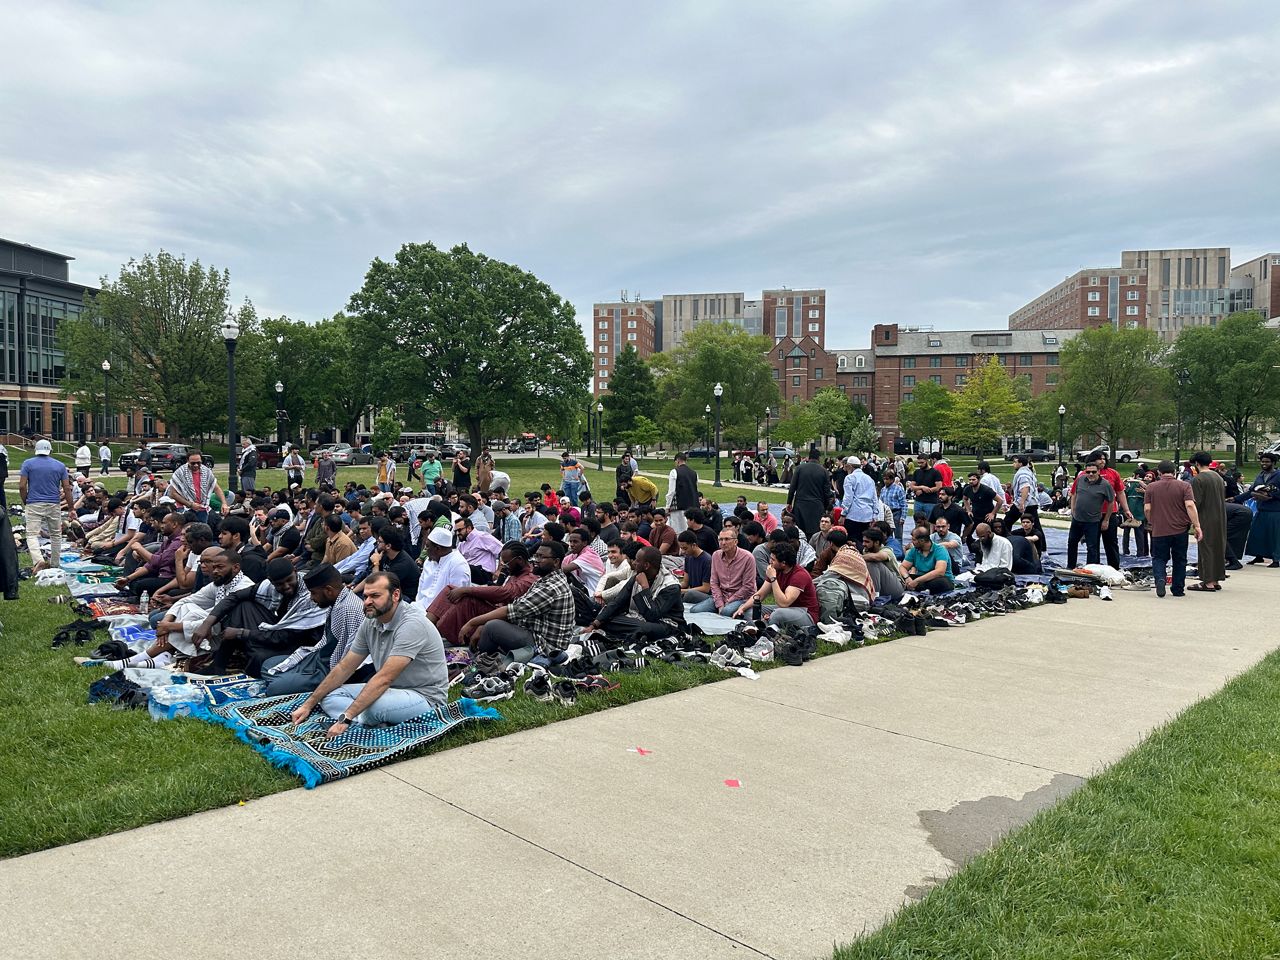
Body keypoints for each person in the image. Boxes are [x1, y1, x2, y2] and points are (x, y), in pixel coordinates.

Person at [291, 570, 448, 733]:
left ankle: (356, 723)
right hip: (390, 692)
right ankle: (368, 722)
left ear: (395, 595)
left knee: (370, 706)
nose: (367, 602)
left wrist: (346, 717)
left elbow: (384, 678)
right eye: (365, 596)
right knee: (329, 696)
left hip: (425, 698)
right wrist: (308, 705)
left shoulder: (411, 624)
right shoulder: (371, 621)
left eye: (375, 596)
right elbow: (345, 666)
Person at [263, 563, 368, 695]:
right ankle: (291, 679)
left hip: (330, 669)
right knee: (268, 664)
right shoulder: (335, 602)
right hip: (319, 659)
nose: (312, 598)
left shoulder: (350, 609)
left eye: (313, 593)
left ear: (328, 590)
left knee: (275, 688)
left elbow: (348, 662)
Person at [460, 541, 576, 656]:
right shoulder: (544, 580)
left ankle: (479, 660)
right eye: (536, 555)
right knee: (489, 621)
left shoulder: (551, 586)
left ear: (556, 562)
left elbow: (513, 610)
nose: (536, 560)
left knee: (492, 627)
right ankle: (484, 655)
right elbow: (516, 609)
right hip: (534, 633)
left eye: (541, 557)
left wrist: (472, 623)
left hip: (545, 646)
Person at [426, 542, 537, 646]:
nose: (505, 566)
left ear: (520, 560)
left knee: (468, 600)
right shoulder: (516, 573)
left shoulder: (529, 579)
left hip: (506, 618)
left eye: (507, 563)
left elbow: (505, 592)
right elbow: (499, 589)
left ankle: (437, 633)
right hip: (497, 608)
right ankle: (426, 627)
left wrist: (467, 590)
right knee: (450, 590)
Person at [585, 546, 684, 642]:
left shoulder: (670, 586)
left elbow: (653, 615)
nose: (634, 563)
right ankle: (630, 632)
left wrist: (645, 589)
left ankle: (632, 632)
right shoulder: (637, 576)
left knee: (644, 628)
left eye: (637, 560)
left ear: (646, 565)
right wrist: (594, 624)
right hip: (637, 619)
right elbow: (617, 602)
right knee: (606, 616)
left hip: (666, 624)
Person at [1144, 460, 1202, 598]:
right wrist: (1197, 525)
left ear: (1159, 472)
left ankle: (1160, 579)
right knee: (1180, 559)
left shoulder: (1151, 487)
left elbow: (1147, 508)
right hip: (1180, 529)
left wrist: (1152, 521)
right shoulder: (1184, 486)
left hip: (1159, 529)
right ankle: (1177, 589)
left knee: (1158, 558)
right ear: (1175, 472)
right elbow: (1189, 506)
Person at [19, 439, 74, 572]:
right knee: (56, 534)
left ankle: (38, 561)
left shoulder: (28, 464)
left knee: (32, 534)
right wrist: (71, 507)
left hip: (34, 502)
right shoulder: (60, 465)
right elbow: (67, 488)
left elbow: (22, 486)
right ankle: (55, 564)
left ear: (36, 450)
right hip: (53, 503)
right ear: (50, 450)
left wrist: (25, 500)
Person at [735, 543, 818, 629]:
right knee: (750, 610)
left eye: (773, 560)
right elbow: (760, 594)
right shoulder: (776, 570)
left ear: (783, 563)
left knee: (777, 614)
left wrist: (773, 579)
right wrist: (742, 608)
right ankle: (763, 624)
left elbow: (784, 603)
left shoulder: (799, 575)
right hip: (784, 610)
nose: (770, 562)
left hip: (805, 613)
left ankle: (763, 625)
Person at [688, 526, 756, 615]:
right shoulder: (716, 555)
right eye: (720, 539)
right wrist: (719, 603)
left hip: (742, 597)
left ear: (736, 541)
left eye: (727, 539)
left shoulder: (748, 557)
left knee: (726, 612)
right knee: (695, 610)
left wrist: (729, 601)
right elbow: (714, 582)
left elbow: (748, 586)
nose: (723, 543)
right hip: (722, 595)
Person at [1188, 452, 1226, 591]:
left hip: (1205, 517)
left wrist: (1192, 522)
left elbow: (1195, 503)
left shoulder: (1198, 480)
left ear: (1197, 464)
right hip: (1220, 516)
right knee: (1217, 547)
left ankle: (1208, 582)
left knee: (1206, 548)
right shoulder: (1217, 477)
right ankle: (1216, 579)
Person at [1067, 462, 1114, 567]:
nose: (1091, 474)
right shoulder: (1080, 479)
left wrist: (1106, 520)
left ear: (1099, 472)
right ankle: (1070, 567)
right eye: (1088, 472)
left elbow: (1111, 502)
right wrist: (1073, 510)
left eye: (1094, 472)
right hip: (1077, 519)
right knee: (1072, 543)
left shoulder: (1105, 484)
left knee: (1092, 547)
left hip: (1092, 521)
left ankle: (1090, 569)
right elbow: (1074, 494)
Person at [1242, 452, 1280, 566]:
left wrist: (1271, 495)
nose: (1264, 463)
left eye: (1267, 461)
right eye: (1262, 461)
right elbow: (1251, 491)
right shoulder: (1260, 475)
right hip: (1261, 509)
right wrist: (1235, 499)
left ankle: (1276, 559)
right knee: (1257, 534)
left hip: (1275, 511)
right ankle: (1258, 556)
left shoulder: (1278, 475)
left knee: (1274, 536)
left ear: (1273, 463)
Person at [787, 447, 832, 540]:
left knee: (799, 532)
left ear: (808, 457)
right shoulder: (824, 471)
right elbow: (827, 492)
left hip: (800, 504)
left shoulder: (799, 468)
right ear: (819, 458)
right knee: (815, 534)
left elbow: (792, 487)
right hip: (816, 505)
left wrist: (789, 502)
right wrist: (827, 506)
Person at [169, 452, 226, 523]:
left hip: (202, 508)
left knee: (201, 531)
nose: (196, 465)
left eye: (198, 463)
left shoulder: (206, 471)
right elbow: (172, 493)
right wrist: (190, 504)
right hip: (185, 509)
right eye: (193, 463)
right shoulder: (180, 472)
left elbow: (216, 488)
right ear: (187, 461)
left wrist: (224, 503)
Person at [899, 526, 954, 594]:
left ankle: (914, 587)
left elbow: (940, 572)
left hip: (938, 579)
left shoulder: (940, 550)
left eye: (914, 540)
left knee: (941, 582)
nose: (912, 542)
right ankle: (915, 586)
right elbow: (903, 567)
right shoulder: (914, 551)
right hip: (922, 579)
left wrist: (917, 581)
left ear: (922, 541)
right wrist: (907, 577)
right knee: (898, 577)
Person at [860, 527, 905, 600]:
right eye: (863, 541)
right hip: (882, 587)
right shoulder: (866, 551)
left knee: (872, 563)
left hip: (896, 587)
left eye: (867, 542)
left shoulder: (887, 550)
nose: (863, 544)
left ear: (877, 542)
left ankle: (875, 597)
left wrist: (856, 556)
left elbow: (876, 557)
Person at [562, 528, 606, 594]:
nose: (571, 544)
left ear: (584, 543)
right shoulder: (575, 554)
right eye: (570, 541)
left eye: (575, 542)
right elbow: (561, 564)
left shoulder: (589, 555)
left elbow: (563, 570)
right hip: (586, 592)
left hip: (594, 595)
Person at [675, 529, 713, 604]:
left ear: (694, 545)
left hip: (705, 595)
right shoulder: (688, 558)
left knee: (689, 594)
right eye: (681, 548)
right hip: (692, 591)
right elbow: (685, 583)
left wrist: (683, 591)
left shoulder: (707, 560)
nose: (682, 551)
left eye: (685, 548)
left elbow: (706, 588)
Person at [879, 470, 907, 542]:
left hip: (896, 513)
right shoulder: (883, 489)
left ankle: (899, 551)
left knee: (898, 535)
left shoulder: (898, 489)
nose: (885, 481)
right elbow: (881, 503)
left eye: (887, 479)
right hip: (887, 514)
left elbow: (904, 504)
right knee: (887, 535)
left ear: (892, 479)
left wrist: (902, 517)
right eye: (884, 479)